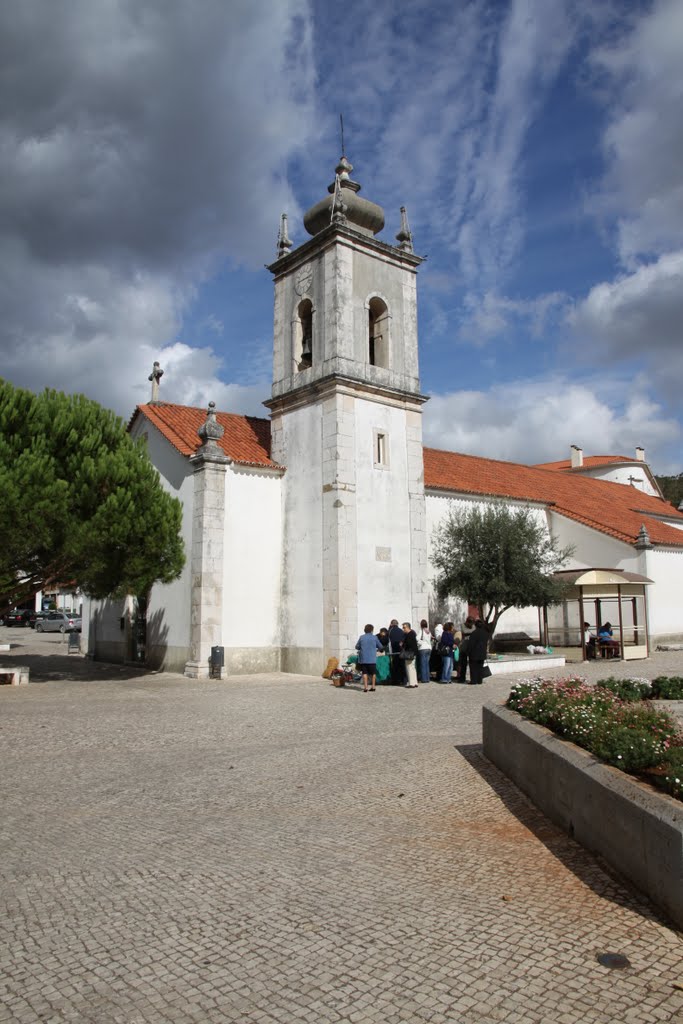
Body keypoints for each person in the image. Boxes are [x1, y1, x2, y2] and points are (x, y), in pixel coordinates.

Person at [355, 624, 384, 692]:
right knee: (373, 673)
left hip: (364, 659)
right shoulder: (375, 638)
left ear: (365, 630)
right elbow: (381, 647)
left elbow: (357, 647)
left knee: (364, 673)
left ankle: (365, 687)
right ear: (372, 630)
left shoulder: (361, 637)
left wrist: (361, 647)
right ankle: (373, 687)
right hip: (372, 659)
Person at [468, 619, 490, 685]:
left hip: (474, 653)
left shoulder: (474, 633)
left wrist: (468, 652)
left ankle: (474, 680)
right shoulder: (485, 634)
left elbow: (471, 644)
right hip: (482, 652)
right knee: (480, 667)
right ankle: (479, 680)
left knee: (473, 667)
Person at [456, 616, 476, 682]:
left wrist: (471, 631)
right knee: (463, 664)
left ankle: (472, 678)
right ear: (467, 622)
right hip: (464, 646)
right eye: (470, 623)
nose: (471, 625)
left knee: (472, 664)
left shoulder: (473, 626)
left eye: (472, 623)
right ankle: (462, 678)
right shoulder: (463, 625)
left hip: (471, 647)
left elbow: (474, 630)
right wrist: (472, 631)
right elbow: (464, 631)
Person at [388, 618, 406, 685]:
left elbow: (388, 640)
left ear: (391, 624)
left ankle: (395, 681)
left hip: (394, 651)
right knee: (402, 666)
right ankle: (403, 680)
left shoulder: (390, 630)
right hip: (401, 650)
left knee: (395, 666)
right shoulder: (401, 630)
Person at [401, 622, 419, 687]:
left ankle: (411, 683)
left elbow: (409, 644)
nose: (403, 629)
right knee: (413, 668)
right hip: (413, 653)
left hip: (409, 653)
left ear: (408, 627)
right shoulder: (412, 633)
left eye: (404, 627)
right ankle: (415, 682)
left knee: (409, 668)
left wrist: (403, 644)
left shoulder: (409, 634)